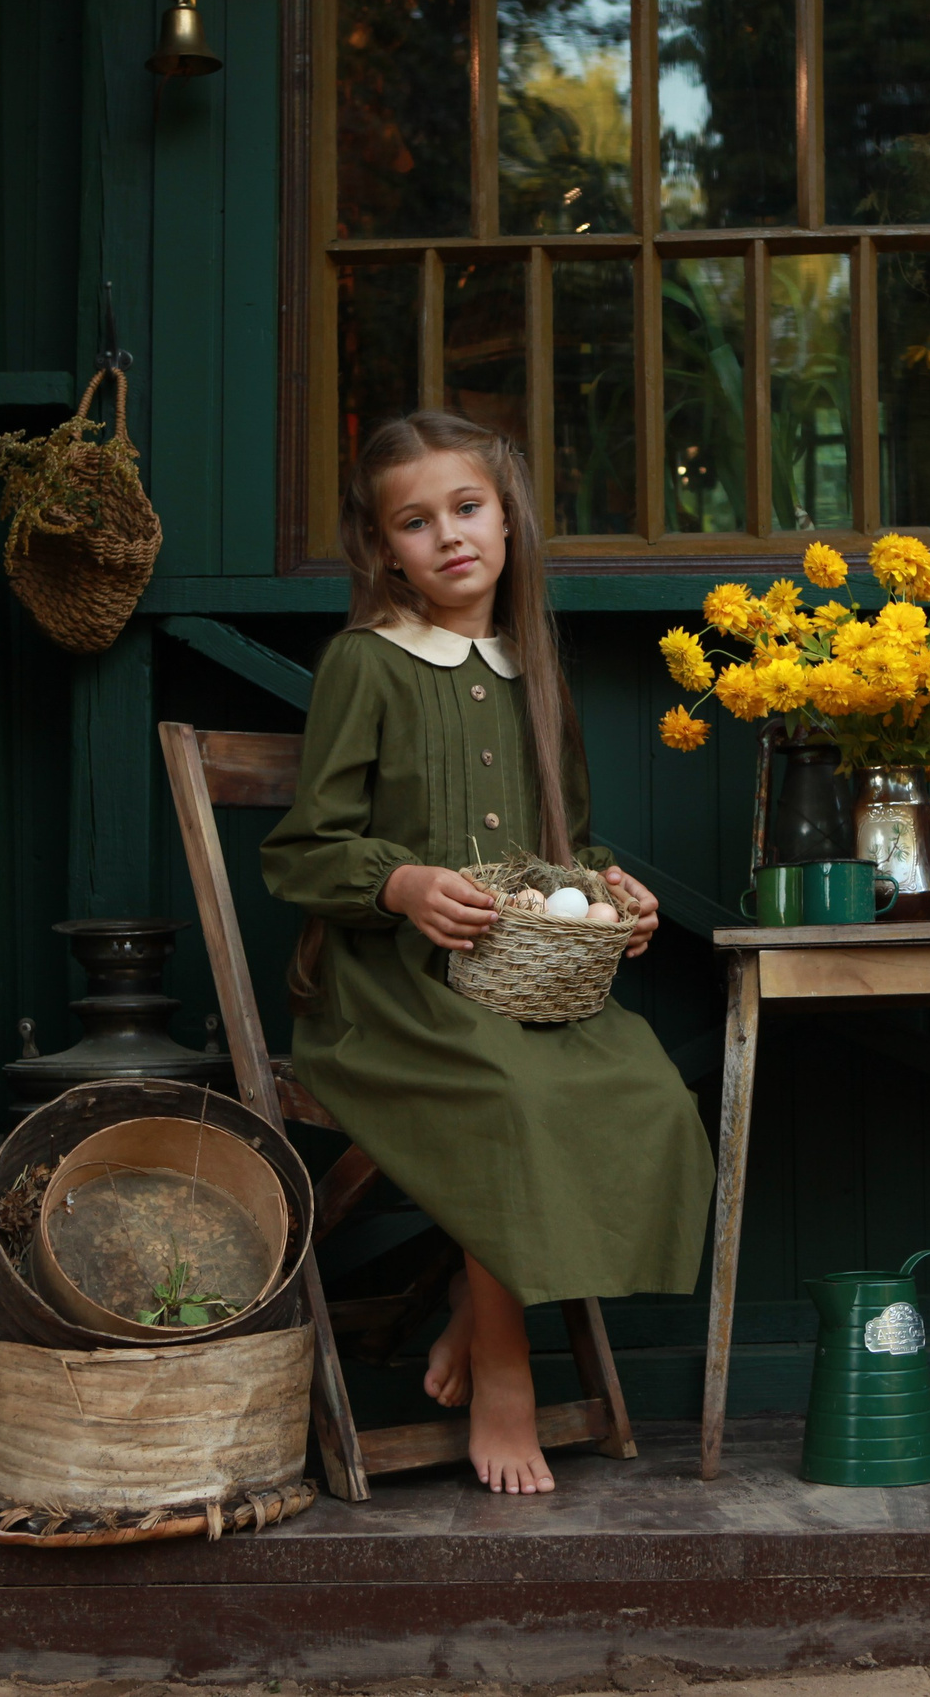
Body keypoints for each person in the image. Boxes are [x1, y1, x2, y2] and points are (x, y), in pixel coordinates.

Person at [262, 411, 715, 1495]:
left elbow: (566, 848)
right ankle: (507, 1367)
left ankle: (476, 1298)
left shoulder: (532, 674)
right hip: (393, 994)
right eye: (414, 523)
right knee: (508, 1098)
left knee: (647, 1088)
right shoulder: (364, 667)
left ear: (506, 518)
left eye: (466, 508)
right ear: (384, 548)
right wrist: (404, 883)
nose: (448, 536)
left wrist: (611, 896)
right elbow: (300, 852)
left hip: (528, 981)